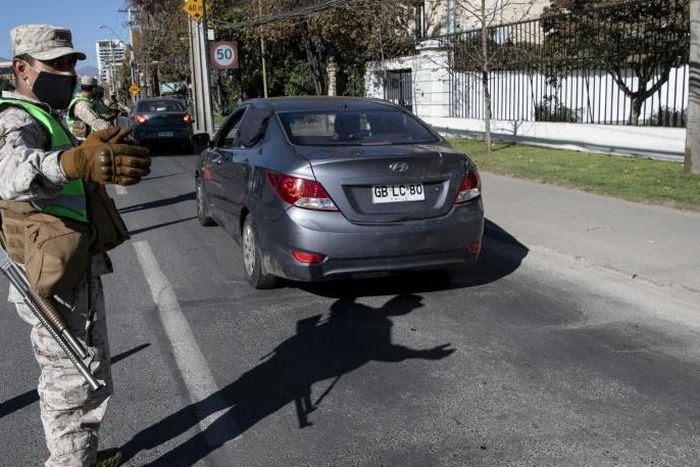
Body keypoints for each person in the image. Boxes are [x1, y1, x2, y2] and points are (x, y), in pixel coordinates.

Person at [0, 24, 150, 467]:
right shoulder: (15, 118)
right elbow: (9, 174)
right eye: (56, 64)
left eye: (70, 63)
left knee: (89, 371)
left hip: (69, 264)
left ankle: (79, 455)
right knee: (71, 379)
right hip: (50, 278)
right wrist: (75, 160)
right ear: (23, 69)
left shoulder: (49, 113)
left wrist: (91, 152)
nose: (67, 72)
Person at [66, 75, 109, 139]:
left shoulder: (84, 101)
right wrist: (112, 128)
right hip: (81, 141)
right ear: (94, 89)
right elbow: (95, 122)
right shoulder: (82, 105)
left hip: (83, 137)